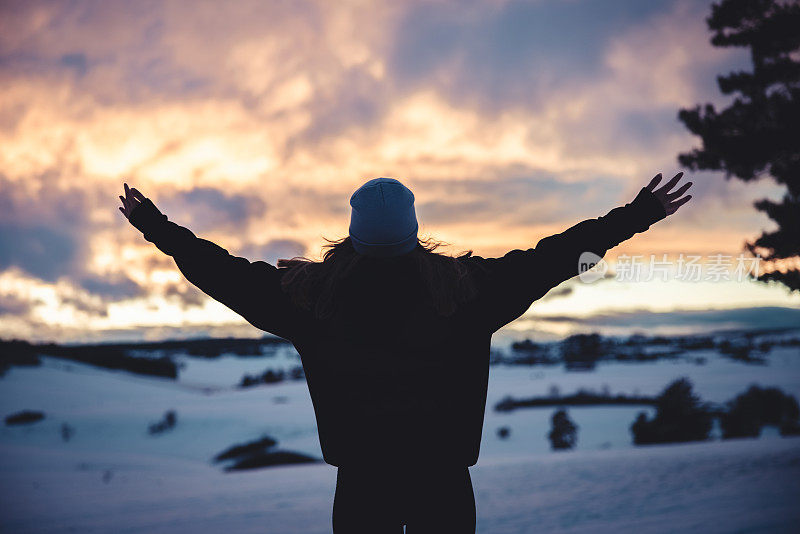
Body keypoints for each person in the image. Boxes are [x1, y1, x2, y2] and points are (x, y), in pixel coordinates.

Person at [119, 173, 692, 533]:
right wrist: (635, 216)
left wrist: (157, 228)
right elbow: (557, 257)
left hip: (361, 485)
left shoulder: (310, 298)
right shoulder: (467, 291)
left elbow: (222, 274)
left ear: (353, 232)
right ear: (415, 231)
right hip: (444, 483)